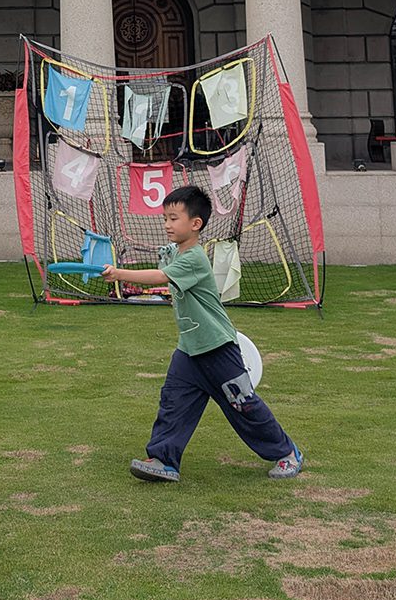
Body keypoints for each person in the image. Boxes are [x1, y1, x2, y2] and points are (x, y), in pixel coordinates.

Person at [102, 183, 302, 485]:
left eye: (174, 218)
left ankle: (287, 453)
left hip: (218, 348)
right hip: (189, 349)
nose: (167, 224)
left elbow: (159, 276)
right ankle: (164, 460)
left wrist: (118, 273)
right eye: (165, 218)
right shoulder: (176, 253)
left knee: (243, 405)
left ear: (196, 224)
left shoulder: (193, 258)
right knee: (173, 402)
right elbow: (164, 260)